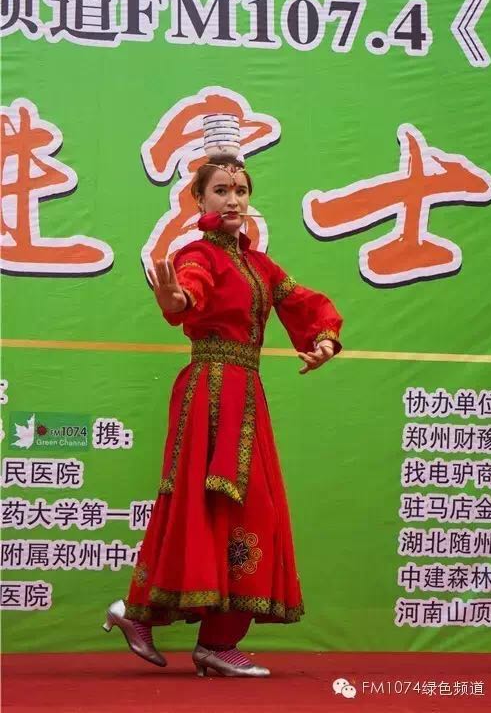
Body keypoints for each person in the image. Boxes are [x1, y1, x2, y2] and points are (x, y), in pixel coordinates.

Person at [103, 155, 343, 677]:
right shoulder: (198, 255)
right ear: (199, 199)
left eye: (240, 190)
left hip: (246, 393)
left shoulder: (260, 267)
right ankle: (185, 631)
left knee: (249, 510)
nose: (233, 199)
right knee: (198, 504)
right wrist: (178, 298)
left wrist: (323, 338)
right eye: (220, 190)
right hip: (209, 391)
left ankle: (176, 626)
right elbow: (190, 289)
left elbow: (303, 302)